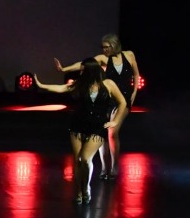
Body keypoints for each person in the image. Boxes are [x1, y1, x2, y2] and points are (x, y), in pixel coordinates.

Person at [34, 58, 128, 204]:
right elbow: (62, 88)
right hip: (78, 126)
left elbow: (122, 102)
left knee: (85, 158)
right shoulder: (81, 84)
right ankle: (79, 191)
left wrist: (115, 121)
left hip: (98, 127)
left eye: (83, 70)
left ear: (91, 71)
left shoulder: (108, 84)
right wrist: (41, 85)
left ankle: (86, 188)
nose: (81, 72)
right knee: (78, 161)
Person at [54, 33, 140, 180]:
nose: (104, 50)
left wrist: (134, 92)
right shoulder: (103, 59)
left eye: (107, 47)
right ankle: (105, 168)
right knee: (103, 133)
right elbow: (83, 65)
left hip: (123, 99)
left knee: (112, 132)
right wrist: (64, 69)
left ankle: (115, 167)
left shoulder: (129, 55)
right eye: (103, 47)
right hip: (109, 100)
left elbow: (136, 75)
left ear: (114, 45)